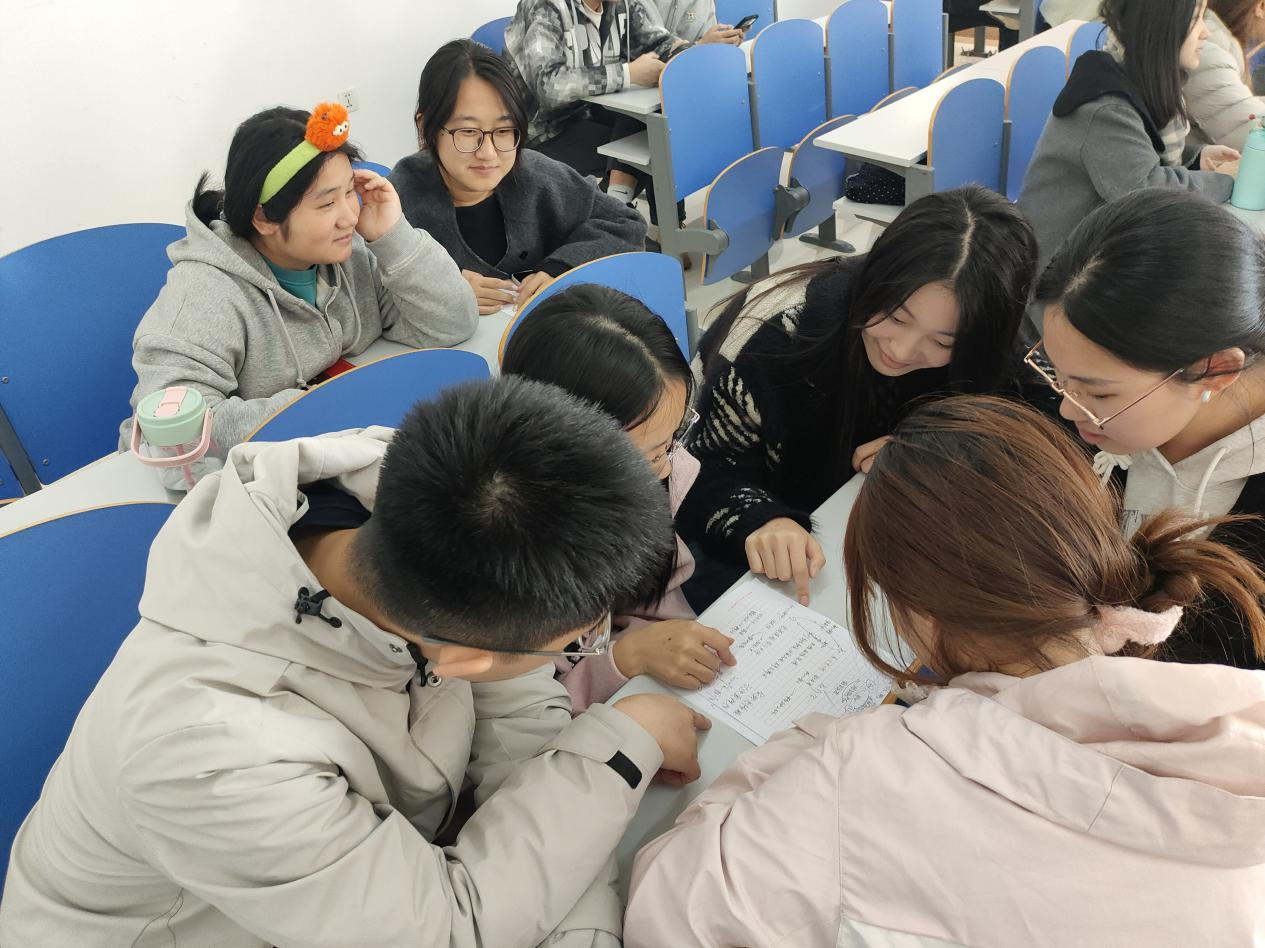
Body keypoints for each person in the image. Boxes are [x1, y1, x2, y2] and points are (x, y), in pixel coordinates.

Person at [0, 376, 712, 947]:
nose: (582, 649)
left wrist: (578, 915)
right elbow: (448, 929)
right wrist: (623, 743)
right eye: (577, 646)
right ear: (464, 657)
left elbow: (519, 723)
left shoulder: (412, 496)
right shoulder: (215, 759)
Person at [625, 394, 1265, 948]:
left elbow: (668, 911)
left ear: (918, 611)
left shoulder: (862, 773)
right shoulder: (1236, 719)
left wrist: (815, 745)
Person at [677, 186, 1038, 608]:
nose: (902, 350)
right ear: (873, 278)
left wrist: (942, 446)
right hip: (753, 547)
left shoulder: (984, 334)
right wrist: (761, 519)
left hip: (877, 538)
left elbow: (1046, 421)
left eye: (944, 342)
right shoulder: (775, 333)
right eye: (895, 316)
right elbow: (691, 470)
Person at [120, 104, 478, 485]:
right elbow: (180, 438)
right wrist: (329, 403)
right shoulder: (204, 295)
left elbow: (452, 323)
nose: (350, 216)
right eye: (327, 203)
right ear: (264, 218)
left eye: (349, 191)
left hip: (321, 460)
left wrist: (393, 237)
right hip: (218, 490)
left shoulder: (347, 251)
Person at [1029, 187, 1265, 669]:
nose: (1068, 410)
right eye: (1056, 374)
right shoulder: (1099, 413)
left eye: (1098, 394)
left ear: (1216, 370)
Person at [502, 285, 737, 708]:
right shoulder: (504, 559)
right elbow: (527, 719)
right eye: (649, 454)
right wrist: (624, 660)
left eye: (673, 438)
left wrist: (669, 641)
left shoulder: (657, 471)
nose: (666, 467)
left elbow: (659, 592)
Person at [392, 39, 645, 316]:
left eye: (503, 131)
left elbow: (626, 224)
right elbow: (367, 289)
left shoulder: (533, 174)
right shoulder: (396, 204)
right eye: (468, 132)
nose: (488, 153)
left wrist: (560, 267)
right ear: (426, 128)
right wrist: (439, 286)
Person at [1017, 0, 1239, 282]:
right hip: (1056, 279)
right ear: (1162, 25)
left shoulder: (1130, 79)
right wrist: (1224, 180)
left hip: (1093, 256)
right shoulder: (1106, 107)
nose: (1205, 32)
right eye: (1196, 19)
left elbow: (1136, 154)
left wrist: (1196, 160)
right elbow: (1145, 191)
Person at [504, 0, 731, 203]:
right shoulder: (544, 6)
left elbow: (659, 42)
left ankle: (618, 204)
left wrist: (697, 50)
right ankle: (613, 212)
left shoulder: (619, 4)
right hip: (541, 132)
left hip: (586, 111)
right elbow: (549, 86)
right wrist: (627, 74)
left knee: (660, 126)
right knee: (655, 147)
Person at [1185, 0, 1265, 151]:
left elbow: (1238, 105)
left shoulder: (1217, 44)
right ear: (1261, 6)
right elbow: (1248, 132)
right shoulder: (1208, 50)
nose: (1204, 32)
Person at [651, 0, 744, 45]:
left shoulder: (706, 3)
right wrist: (700, 45)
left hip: (692, 67)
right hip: (652, 72)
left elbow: (706, 39)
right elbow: (656, 48)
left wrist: (724, 41)